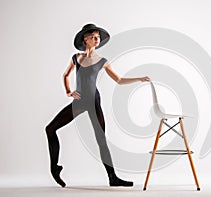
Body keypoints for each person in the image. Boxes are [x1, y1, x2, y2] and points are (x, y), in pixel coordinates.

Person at [45, 23, 150, 187]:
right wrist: (68, 91)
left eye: (98, 37)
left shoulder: (102, 61)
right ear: (85, 40)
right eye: (93, 37)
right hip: (79, 102)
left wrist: (139, 78)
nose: (96, 39)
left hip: (94, 101)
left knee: (101, 139)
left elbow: (119, 80)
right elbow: (65, 75)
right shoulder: (76, 58)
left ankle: (113, 178)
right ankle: (54, 168)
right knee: (50, 129)